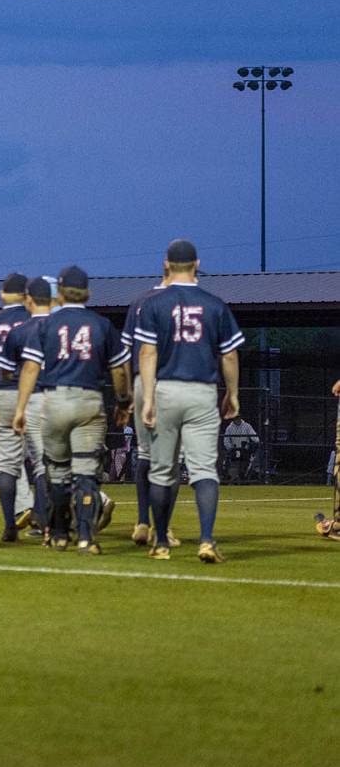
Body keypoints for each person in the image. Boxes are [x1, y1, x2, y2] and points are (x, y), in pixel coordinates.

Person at [134, 239, 244, 562]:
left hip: (166, 389)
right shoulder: (214, 304)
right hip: (201, 393)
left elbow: (147, 352)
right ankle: (206, 540)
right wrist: (233, 394)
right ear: (197, 264)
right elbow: (229, 355)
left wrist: (149, 398)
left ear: (166, 265)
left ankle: (161, 543)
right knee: (204, 470)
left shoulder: (153, 304)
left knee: (162, 472)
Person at [12, 266, 132, 553]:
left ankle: (59, 534)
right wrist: (124, 402)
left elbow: (30, 368)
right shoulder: (101, 325)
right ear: (87, 292)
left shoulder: (46, 325)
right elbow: (119, 370)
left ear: (61, 294)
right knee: (86, 473)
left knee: (57, 473)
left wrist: (20, 408)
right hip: (89, 401)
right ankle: (86, 538)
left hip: (54, 401)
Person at [0, 277, 55, 539]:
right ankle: (62, 520)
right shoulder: (64, 326)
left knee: (14, 463)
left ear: (29, 298)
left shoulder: (20, 330)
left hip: (31, 397)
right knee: (60, 463)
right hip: (65, 395)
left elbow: (7, 372)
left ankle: (19, 524)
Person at [0, 273, 32, 541]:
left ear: (2, 294)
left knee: (8, 460)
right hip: (35, 394)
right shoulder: (35, 319)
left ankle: (15, 518)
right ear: (27, 294)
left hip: (2, 393)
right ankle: (48, 519)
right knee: (51, 459)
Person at [123, 268, 171, 545]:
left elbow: (129, 348)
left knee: (144, 453)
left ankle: (142, 521)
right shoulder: (183, 301)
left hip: (142, 380)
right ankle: (163, 529)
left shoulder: (140, 301)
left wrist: (129, 390)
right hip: (171, 382)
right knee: (169, 460)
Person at [221, 415, 258, 484]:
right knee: (230, 465)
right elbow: (226, 441)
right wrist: (230, 448)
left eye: (238, 418)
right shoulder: (229, 427)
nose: (237, 420)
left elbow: (255, 439)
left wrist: (253, 444)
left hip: (244, 450)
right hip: (233, 450)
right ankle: (231, 478)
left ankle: (243, 477)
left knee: (244, 466)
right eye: (235, 418)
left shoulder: (247, 426)